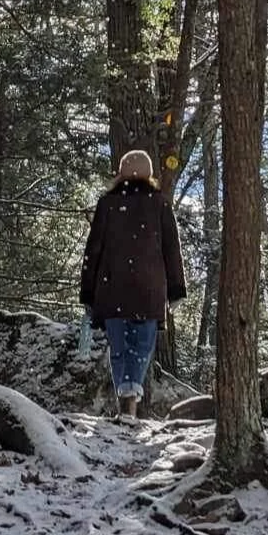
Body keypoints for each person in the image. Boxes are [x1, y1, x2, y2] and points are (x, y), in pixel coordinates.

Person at [80, 150, 186, 418]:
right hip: (148, 291)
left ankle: (124, 402)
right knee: (140, 348)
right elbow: (171, 249)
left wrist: (88, 293)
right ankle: (131, 401)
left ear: (121, 172)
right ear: (149, 174)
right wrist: (175, 289)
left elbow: (93, 251)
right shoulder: (160, 204)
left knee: (119, 348)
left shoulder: (108, 204)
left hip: (112, 288)